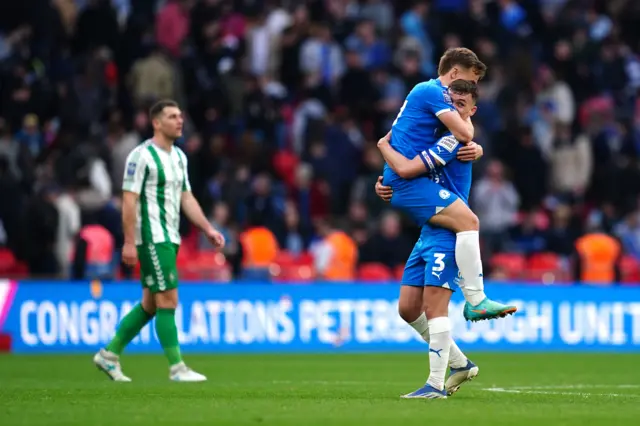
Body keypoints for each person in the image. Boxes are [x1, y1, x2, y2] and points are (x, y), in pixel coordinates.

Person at [376, 48, 515, 323]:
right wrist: (384, 157)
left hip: (418, 192)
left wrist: (476, 148)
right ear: (453, 74)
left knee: (408, 309)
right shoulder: (433, 95)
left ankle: (457, 360)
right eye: (470, 80)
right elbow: (461, 133)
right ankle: (475, 299)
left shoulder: (438, 119)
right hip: (416, 187)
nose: (471, 87)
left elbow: (414, 138)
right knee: (469, 221)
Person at [93, 100, 226, 382]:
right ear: (156, 122)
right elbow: (129, 200)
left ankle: (109, 355)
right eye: (172, 116)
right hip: (152, 236)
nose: (180, 121)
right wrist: (129, 242)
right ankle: (177, 368)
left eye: (180, 116)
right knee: (168, 300)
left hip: (171, 236)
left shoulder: (179, 157)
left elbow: (185, 198)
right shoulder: (140, 156)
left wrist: (207, 229)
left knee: (150, 305)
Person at [377, 80, 482, 399]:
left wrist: (383, 146)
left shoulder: (455, 140)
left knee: (435, 307)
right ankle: (460, 364)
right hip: (429, 227)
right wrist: (383, 183)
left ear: (472, 111)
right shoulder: (436, 133)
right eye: (451, 103)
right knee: (408, 308)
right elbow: (405, 172)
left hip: (448, 230)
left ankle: (435, 384)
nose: (454, 109)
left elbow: (408, 169)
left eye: (462, 105)